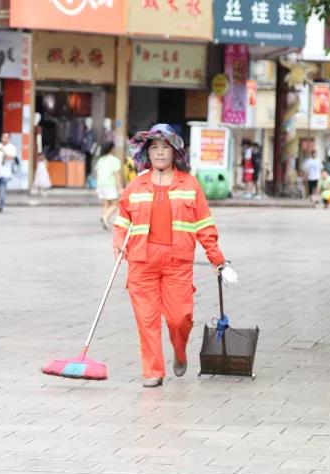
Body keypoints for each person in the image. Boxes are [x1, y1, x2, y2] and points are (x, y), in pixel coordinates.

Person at [113, 124, 231, 388]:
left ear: (175, 152)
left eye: (165, 147)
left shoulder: (189, 185)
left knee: (180, 318)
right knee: (147, 320)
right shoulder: (136, 186)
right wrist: (119, 242)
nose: (159, 153)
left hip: (177, 264)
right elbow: (122, 220)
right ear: (148, 153)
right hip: (142, 264)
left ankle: (179, 350)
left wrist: (217, 259)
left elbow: (204, 225)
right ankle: (153, 371)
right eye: (154, 148)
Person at [95, 142, 124, 230]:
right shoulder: (115, 160)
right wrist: (119, 188)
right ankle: (105, 217)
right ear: (111, 149)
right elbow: (117, 175)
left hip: (101, 185)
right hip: (110, 185)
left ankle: (105, 220)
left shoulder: (101, 160)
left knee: (106, 204)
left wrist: (97, 186)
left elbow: (97, 173)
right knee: (115, 205)